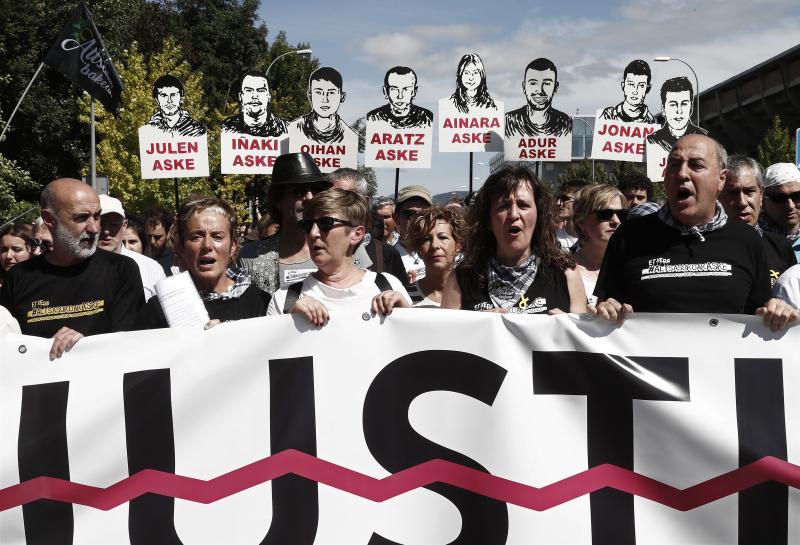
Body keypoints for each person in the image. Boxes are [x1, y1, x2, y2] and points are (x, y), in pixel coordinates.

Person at [593, 135, 798, 331]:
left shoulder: (748, 240)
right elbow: (606, 309)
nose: (682, 173)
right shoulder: (628, 236)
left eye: (696, 165)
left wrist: (778, 312)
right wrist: (606, 310)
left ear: (721, 179)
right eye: (674, 164)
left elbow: (759, 316)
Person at [0, 179, 144, 359]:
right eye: (81, 218)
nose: (94, 228)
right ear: (50, 219)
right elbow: (7, 351)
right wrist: (43, 352)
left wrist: (85, 347)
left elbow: (133, 347)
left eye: (97, 216)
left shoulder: (121, 270)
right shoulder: (18, 277)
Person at [441, 166, 587, 314]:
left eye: (523, 205)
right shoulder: (460, 279)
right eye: (503, 206)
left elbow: (578, 336)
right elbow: (447, 335)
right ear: (488, 220)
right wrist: (479, 327)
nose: (513, 214)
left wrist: (565, 328)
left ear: (539, 217)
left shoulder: (567, 275)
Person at [267, 188, 411, 324]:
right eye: (307, 225)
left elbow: (414, 345)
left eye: (325, 223)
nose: (313, 233)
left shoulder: (389, 286)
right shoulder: (284, 299)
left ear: (357, 234)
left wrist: (406, 314)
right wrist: (289, 321)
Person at [136, 197, 271, 329]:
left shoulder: (261, 303)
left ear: (233, 246)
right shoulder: (159, 309)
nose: (207, 245)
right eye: (196, 237)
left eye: (217, 236)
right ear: (181, 247)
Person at [238, 152, 332, 295]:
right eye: (299, 192)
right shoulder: (250, 256)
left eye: (315, 190)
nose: (310, 198)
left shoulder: (342, 249)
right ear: (277, 199)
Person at [720, 156, 796, 286]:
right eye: (733, 193)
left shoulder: (781, 247)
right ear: (718, 196)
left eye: (750, 192)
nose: (742, 202)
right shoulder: (707, 246)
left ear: (761, 195)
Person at [327, 168, 406, 279]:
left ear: (364, 201)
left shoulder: (387, 253)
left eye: (344, 197)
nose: (335, 203)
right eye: (330, 196)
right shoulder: (316, 247)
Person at [97, 195, 165, 301]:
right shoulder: (76, 266)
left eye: (113, 225)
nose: (106, 231)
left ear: (124, 225)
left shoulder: (151, 268)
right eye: (101, 224)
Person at [571, 185, 627, 306]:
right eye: (605, 214)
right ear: (581, 222)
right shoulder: (561, 269)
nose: (616, 221)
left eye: (622, 214)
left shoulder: (633, 265)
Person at [403, 207, 464, 307]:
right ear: (418, 249)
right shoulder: (405, 296)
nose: (435, 245)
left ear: (458, 245)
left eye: (443, 237)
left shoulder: (473, 295)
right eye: (427, 239)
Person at [505, 58, 572, 138]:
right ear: (524, 87)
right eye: (533, 83)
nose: (540, 91)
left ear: (555, 88)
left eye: (547, 83)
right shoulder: (509, 121)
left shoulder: (565, 123)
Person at [646, 77, 707, 152]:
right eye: (673, 105)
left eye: (684, 104)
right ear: (663, 110)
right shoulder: (652, 141)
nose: (679, 111)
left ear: (691, 108)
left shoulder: (704, 138)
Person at [292, 67, 352, 143]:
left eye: (331, 93)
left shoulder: (350, 136)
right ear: (310, 96)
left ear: (342, 97)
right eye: (318, 92)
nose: (325, 99)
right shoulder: (294, 129)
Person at [221, 70, 288, 137]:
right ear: (241, 96)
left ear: (269, 97)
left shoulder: (285, 128)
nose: (255, 96)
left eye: (261, 91)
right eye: (249, 90)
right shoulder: (225, 128)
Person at [366, 66, 433, 129]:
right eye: (394, 89)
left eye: (405, 89)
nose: (400, 96)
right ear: (385, 91)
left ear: (414, 91)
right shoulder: (372, 118)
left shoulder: (427, 118)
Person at [759, 162, 800, 262]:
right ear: (763, 200)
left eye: (797, 196)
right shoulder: (753, 238)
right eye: (779, 198)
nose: (790, 205)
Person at [393, 185, 434, 282]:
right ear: (397, 219)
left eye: (424, 214)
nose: (417, 219)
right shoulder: (388, 258)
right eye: (410, 214)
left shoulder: (440, 253)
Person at [554, 179, 593, 250]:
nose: (558, 203)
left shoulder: (596, 241)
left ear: (582, 202)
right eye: (558, 199)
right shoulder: (552, 240)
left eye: (564, 199)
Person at [144, 207, 176, 275]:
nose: (152, 241)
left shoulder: (177, 261)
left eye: (157, 237)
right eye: (149, 236)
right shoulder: (140, 256)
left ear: (168, 233)